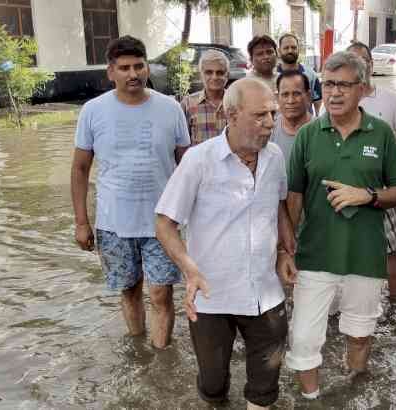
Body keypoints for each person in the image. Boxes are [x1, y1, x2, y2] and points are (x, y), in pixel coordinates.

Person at [155, 78, 297, 410]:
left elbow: (276, 205)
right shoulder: (198, 160)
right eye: (259, 115)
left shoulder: (274, 157)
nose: (270, 123)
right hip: (211, 295)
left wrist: (282, 251)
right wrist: (189, 269)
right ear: (231, 115)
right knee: (213, 384)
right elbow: (164, 223)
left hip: (265, 293)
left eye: (272, 114)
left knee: (265, 385)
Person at [284, 51, 396, 399]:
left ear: (362, 89)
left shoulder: (381, 134)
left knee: (359, 332)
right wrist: (285, 250)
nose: (334, 93)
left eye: (343, 85)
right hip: (314, 255)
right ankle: (311, 400)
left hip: (364, 255)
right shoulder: (308, 135)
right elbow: (292, 198)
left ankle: (353, 391)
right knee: (305, 338)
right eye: (327, 84)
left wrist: (366, 195)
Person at [70, 36, 190, 347]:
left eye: (139, 66)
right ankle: (138, 348)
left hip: (162, 221)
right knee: (130, 290)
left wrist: (194, 215)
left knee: (161, 293)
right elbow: (80, 168)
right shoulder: (93, 111)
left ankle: (160, 355)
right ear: (110, 72)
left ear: (147, 68)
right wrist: (81, 221)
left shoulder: (170, 108)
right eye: (124, 68)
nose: (133, 73)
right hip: (114, 223)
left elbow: (186, 165)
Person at [347, 42, 396, 320]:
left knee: (393, 250)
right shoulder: (338, 98)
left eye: (364, 60)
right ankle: (355, 307)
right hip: (349, 190)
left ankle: (395, 304)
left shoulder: (389, 100)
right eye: (354, 60)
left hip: (384, 189)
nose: (360, 65)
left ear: (371, 65)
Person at [180, 50, 229, 145]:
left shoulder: (237, 102)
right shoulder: (188, 104)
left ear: (227, 75)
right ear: (200, 75)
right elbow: (182, 144)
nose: (214, 77)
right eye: (209, 72)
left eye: (220, 72)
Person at [271, 70, 313, 161]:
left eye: (296, 94)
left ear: (308, 96)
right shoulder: (269, 130)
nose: (291, 101)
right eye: (285, 95)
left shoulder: (320, 131)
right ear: (277, 98)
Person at [276, 33, 323, 114]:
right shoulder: (273, 75)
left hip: (307, 125)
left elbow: (318, 105)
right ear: (279, 50)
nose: (290, 51)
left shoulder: (311, 74)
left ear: (298, 49)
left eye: (293, 47)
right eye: (286, 48)